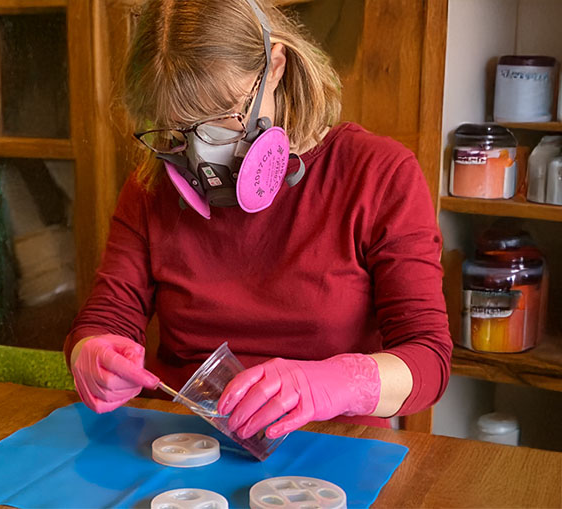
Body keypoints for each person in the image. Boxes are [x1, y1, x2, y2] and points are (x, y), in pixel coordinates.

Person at [65, 0, 451, 441]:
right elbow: (108, 317)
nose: (202, 154)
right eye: (177, 130)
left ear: (276, 67)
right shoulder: (152, 188)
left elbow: (429, 359)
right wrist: (91, 353)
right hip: (186, 444)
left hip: (335, 445)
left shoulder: (379, 173)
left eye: (223, 116)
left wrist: (332, 383)